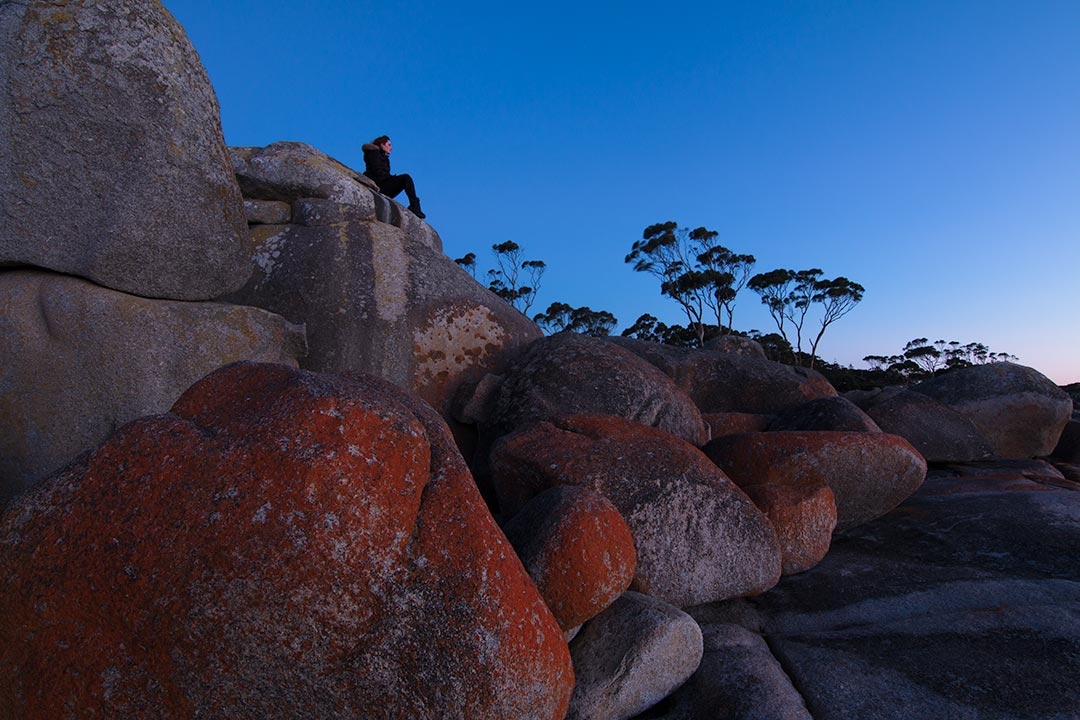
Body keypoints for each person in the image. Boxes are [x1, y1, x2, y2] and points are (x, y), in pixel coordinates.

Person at [362, 135, 425, 219]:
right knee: (405, 178)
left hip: (382, 184)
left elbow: (382, 173)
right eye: (389, 145)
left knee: (406, 179)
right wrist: (391, 179)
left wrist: (391, 178)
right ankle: (415, 206)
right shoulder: (374, 154)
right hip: (379, 186)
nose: (391, 148)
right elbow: (377, 172)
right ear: (382, 144)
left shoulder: (382, 156)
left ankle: (415, 206)